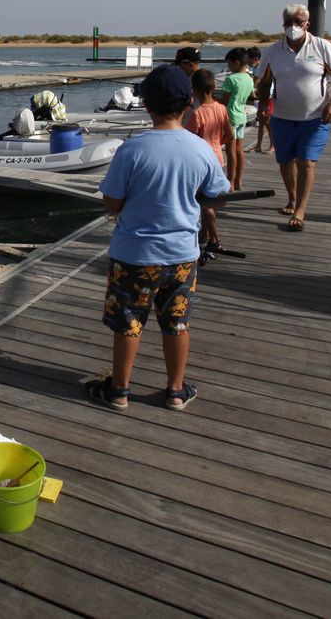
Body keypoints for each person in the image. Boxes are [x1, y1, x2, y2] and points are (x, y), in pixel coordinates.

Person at [87, 63, 230, 412]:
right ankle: (176, 391)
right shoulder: (200, 150)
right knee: (177, 324)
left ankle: (119, 390)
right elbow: (218, 194)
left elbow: (111, 202)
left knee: (128, 325)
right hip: (182, 256)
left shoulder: (131, 150)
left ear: (146, 105)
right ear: (188, 105)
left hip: (133, 257)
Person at [257, 3, 331, 232]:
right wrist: (263, 107)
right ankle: (292, 197)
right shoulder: (274, 50)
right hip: (282, 116)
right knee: (285, 161)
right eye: (289, 23)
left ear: (308, 24)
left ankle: (300, 209)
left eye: (298, 22)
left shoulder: (322, 46)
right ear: (282, 25)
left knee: (306, 162)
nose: (293, 27)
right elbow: (265, 82)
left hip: (316, 117)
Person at [182, 68, 232, 247]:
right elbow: (230, 135)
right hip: (217, 156)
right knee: (208, 197)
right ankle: (203, 235)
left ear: (194, 90)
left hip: (201, 160)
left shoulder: (197, 113)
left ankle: (215, 239)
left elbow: (188, 140)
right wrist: (218, 143)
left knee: (204, 202)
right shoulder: (221, 108)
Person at [218, 48, 254, 191]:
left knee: (230, 151)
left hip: (231, 116)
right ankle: (239, 180)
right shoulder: (249, 79)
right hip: (242, 116)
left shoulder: (230, 79)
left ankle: (230, 182)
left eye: (230, 64)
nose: (228, 67)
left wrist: (210, 97)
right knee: (239, 150)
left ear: (237, 63)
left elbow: (224, 101)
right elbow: (251, 96)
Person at [246, 46, 273, 154]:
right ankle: (258, 145)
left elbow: (262, 82)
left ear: (256, 58)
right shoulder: (256, 67)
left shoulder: (263, 66)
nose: (248, 62)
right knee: (262, 122)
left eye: (249, 59)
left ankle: (272, 145)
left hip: (268, 97)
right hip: (262, 96)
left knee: (268, 122)